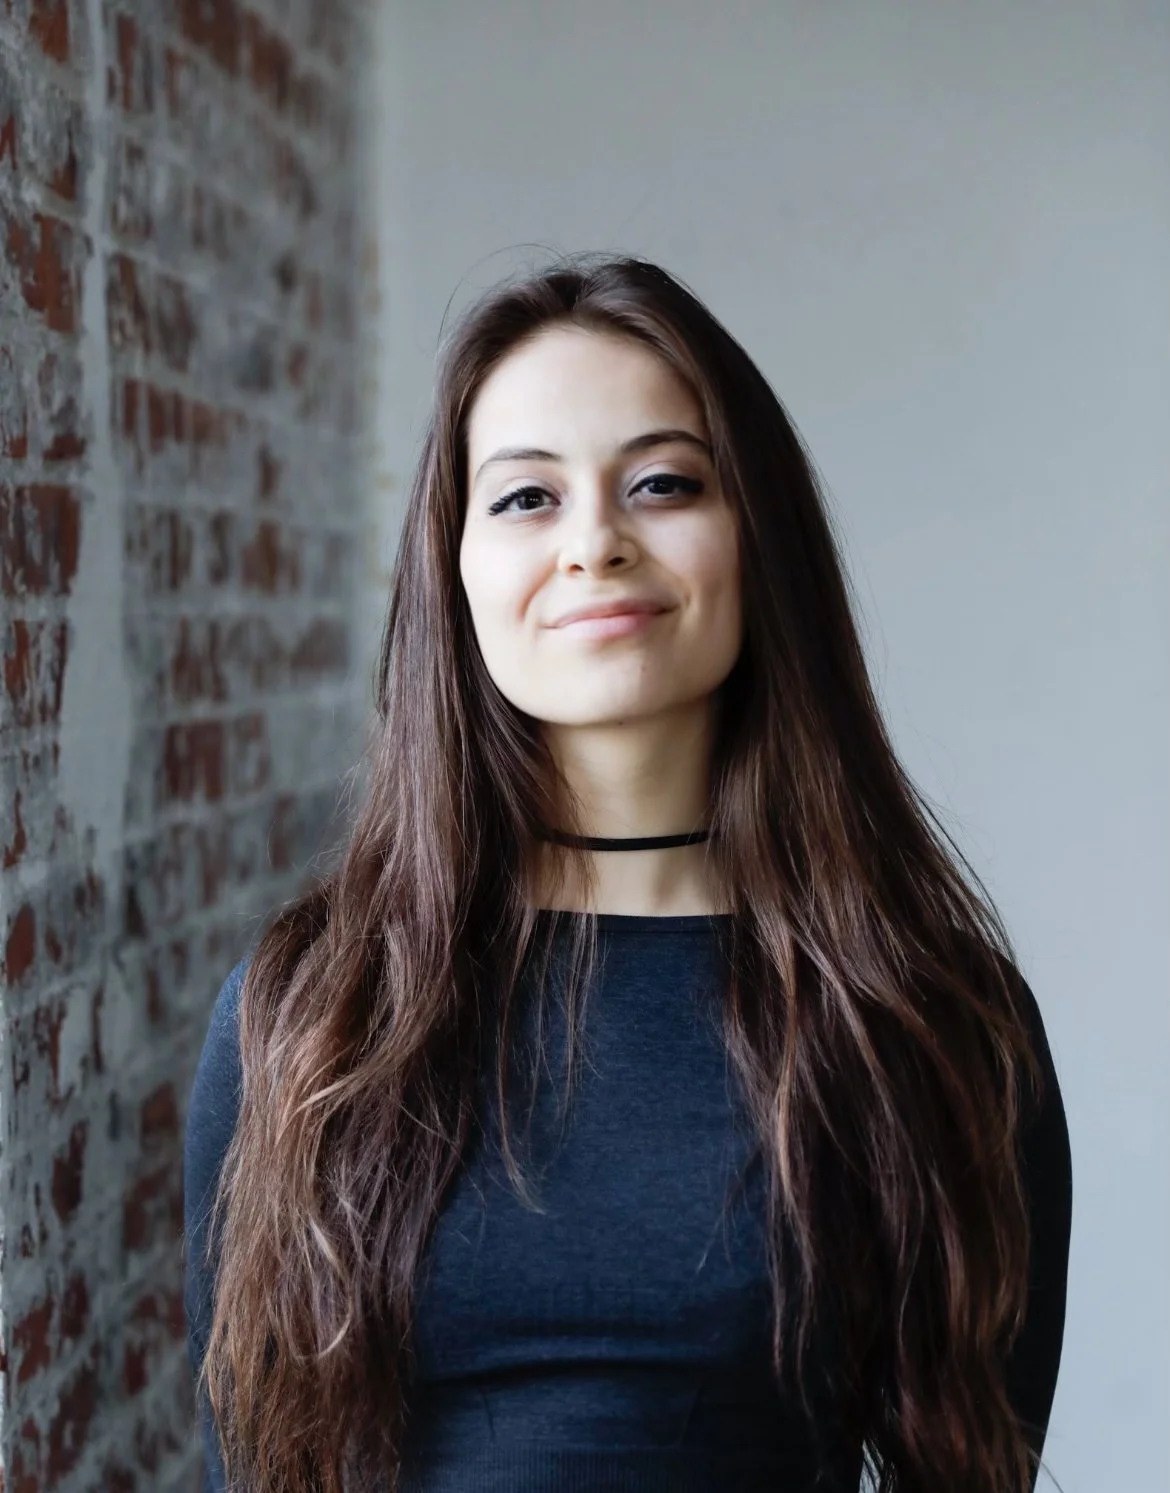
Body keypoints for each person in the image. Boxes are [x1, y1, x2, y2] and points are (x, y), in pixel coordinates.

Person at [183, 254, 1073, 1493]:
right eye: (526, 498)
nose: (595, 542)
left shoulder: (929, 1018)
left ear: (756, 537)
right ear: (454, 573)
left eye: (661, 482)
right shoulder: (309, 1011)